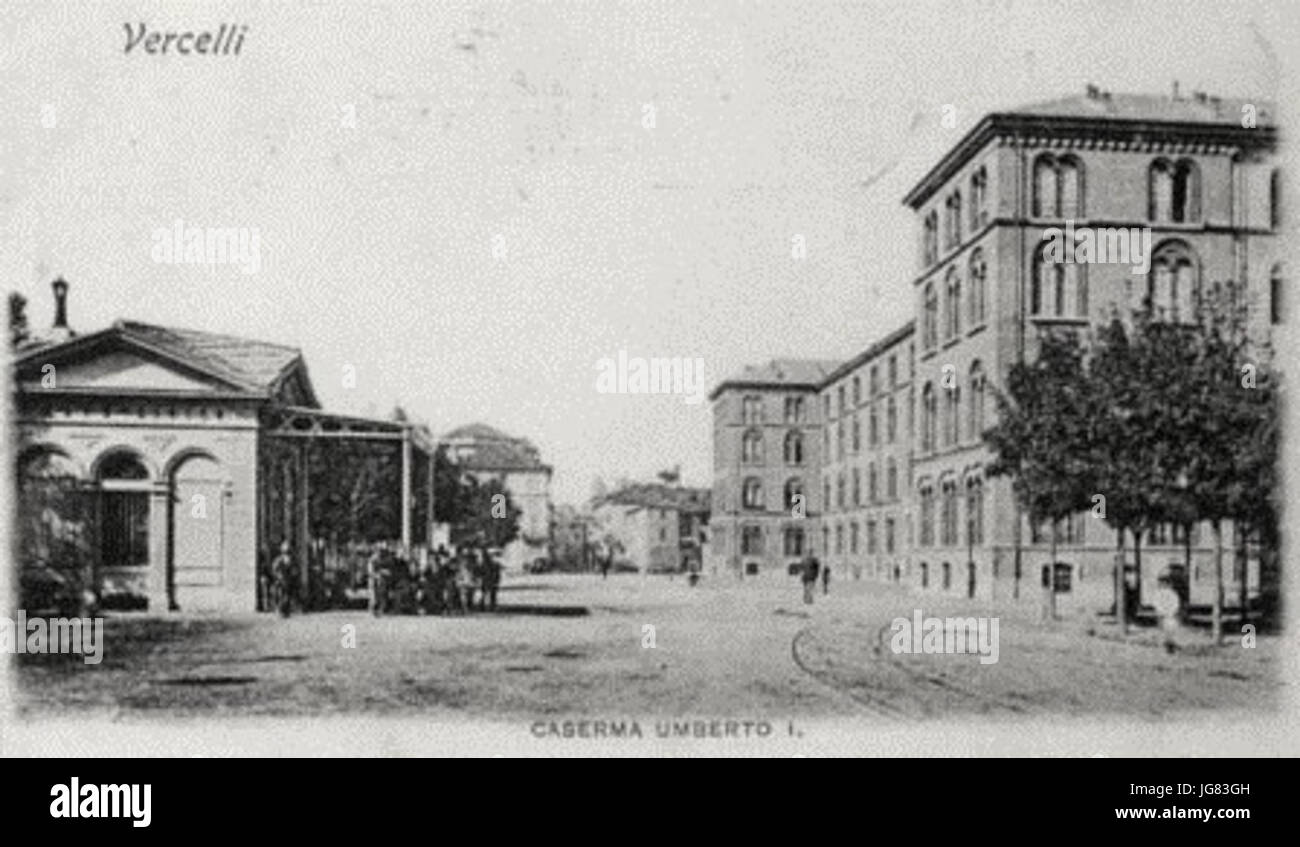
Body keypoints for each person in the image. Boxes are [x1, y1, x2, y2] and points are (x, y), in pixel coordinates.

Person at [1152, 574, 1182, 654]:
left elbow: (1176, 604)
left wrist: (1172, 612)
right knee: (1163, 630)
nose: (1163, 585)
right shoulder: (1158, 594)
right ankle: (1166, 645)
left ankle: (1171, 644)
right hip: (1162, 614)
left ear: (1169, 584)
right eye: (1161, 583)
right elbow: (1156, 604)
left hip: (1171, 614)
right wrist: (1162, 611)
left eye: (1165, 583)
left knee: (1171, 628)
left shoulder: (1173, 594)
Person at [271, 540, 295, 618]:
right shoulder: (279, 560)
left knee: (286, 595)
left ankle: (285, 610)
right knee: (280, 594)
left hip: (287, 580)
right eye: (286, 551)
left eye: (288, 551)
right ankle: (281, 610)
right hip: (281, 580)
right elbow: (275, 569)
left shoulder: (290, 560)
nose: (287, 553)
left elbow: (292, 569)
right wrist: (279, 576)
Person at [367, 543, 389, 617]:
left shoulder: (382, 559)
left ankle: (379, 611)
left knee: (380, 596)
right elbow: (370, 572)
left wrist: (383, 572)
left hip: (380, 581)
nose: (381, 552)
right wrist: (379, 574)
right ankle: (372, 611)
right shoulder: (373, 559)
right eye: (380, 550)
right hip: (373, 580)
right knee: (373, 596)